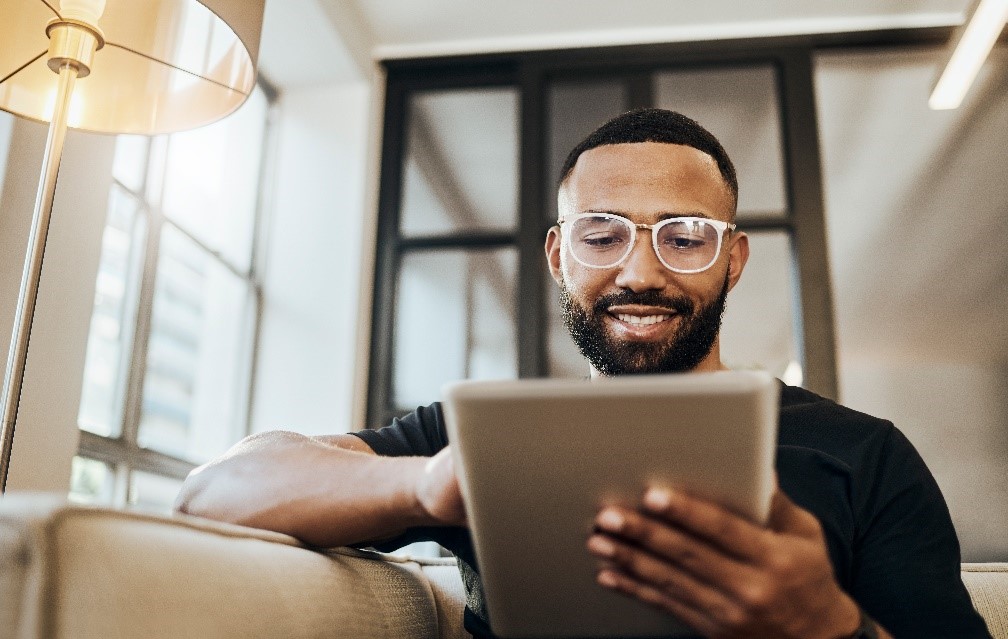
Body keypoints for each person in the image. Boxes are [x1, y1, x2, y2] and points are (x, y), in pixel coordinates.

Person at [175, 109, 991, 639]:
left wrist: (826, 624)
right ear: (560, 256)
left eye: (685, 235)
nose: (642, 270)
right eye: (602, 234)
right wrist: (433, 485)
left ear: (733, 261)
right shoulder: (481, 440)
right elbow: (215, 492)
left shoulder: (865, 455)